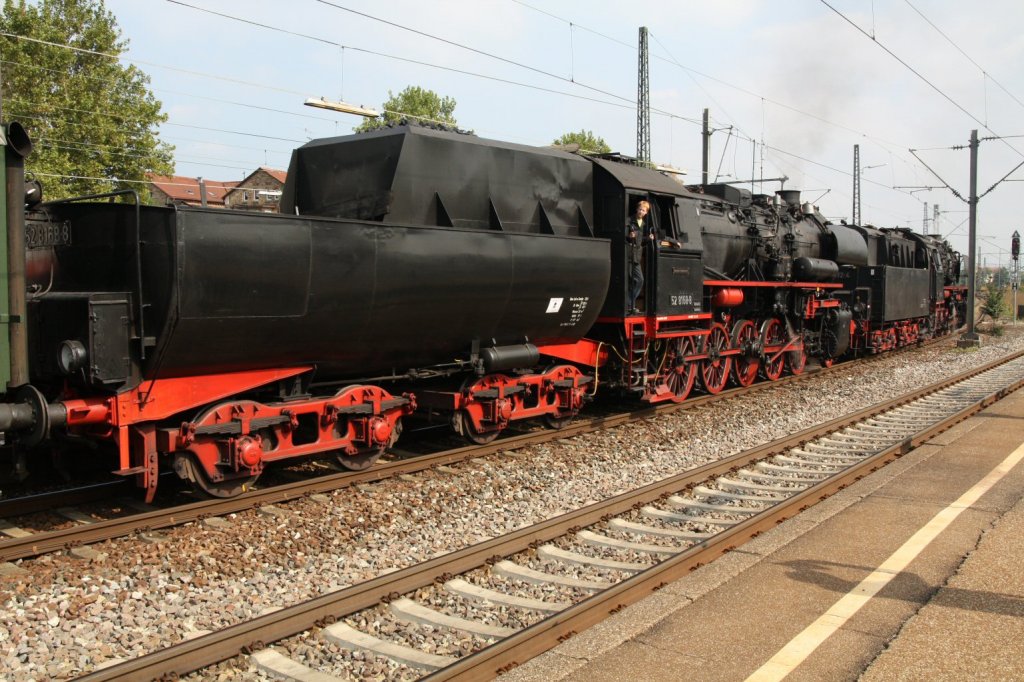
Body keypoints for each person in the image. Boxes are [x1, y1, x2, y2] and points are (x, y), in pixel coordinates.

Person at [626, 200, 654, 314]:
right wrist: (628, 236)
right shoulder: (629, 221)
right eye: (640, 209)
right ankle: (629, 304)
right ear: (637, 209)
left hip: (636, 256)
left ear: (646, 212)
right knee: (631, 280)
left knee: (639, 280)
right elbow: (625, 237)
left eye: (643, 210)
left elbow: (640, 241)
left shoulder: (643, 224)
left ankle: (629, 303)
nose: (641, 211)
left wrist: (648, 238)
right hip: (628, 254)